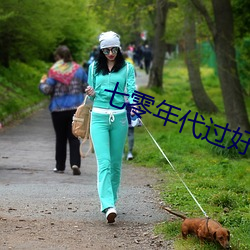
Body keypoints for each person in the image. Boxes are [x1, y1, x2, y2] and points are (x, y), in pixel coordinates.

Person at [85, 31, 136, 223]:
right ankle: (107, 204)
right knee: (104, 163)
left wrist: (134, 109)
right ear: (101, 50)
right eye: (106, 50)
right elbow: (91, 96)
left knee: (116, 164)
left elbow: (131, 91)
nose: (111, 53)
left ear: (119, 48)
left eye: (114, 49)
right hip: (98, 117)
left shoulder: (127, 68)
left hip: (120, 119)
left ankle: (112, 202)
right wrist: (90, 92)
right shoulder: (94, 68)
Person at [39, 45, 88, 175]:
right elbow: (86, 87)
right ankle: (75, 163)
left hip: (58, 109)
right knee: (74, 137)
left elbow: (47, 90)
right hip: (75, 109)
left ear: (58, 57)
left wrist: (42, 83)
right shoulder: (79, 70)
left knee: (60, 138)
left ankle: (60, 166)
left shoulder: (54, 71)